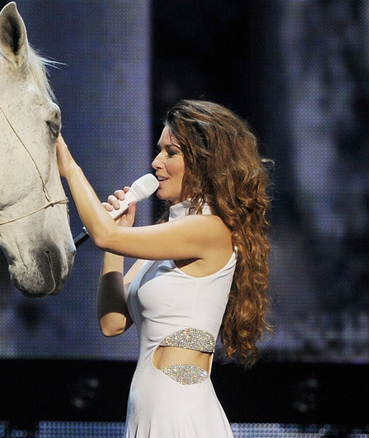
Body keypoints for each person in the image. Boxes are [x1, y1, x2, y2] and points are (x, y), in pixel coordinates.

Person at [56, 99, 271, 436]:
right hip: (148, 412)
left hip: (181, 415)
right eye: (159, 151)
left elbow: (102, 233)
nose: (156, 163)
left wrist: (69, 167)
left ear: (204, 162)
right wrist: (120, 240)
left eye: (170, 152)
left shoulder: (209, 230)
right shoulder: (168, 240)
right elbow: (112, 323)